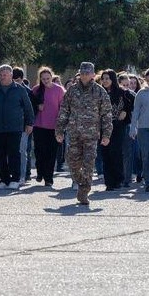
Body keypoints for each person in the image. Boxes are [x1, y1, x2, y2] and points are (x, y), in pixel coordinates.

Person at [56, 62, 113, 205]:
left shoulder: (100, 91)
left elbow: (106, 114)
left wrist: (106, 134)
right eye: (82, 73)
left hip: (91, 135)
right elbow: (64, 111)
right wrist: (59, 130)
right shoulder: (72, 91)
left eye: (87, 73)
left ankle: (83, 192)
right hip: (74, 133)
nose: (84, 76)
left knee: (88, 165)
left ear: (93, 75)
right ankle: (82, 182)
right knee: (72, 162)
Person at [0, 64, 34, 190]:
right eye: (1, 74)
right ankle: (3, 179)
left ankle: (15, 179)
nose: (3, 76)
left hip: (15, 127)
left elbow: (28, 107)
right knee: (0, 154)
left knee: (14, 153)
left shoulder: (19, 89)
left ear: (11, 75)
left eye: (5, 74)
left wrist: (30, 123)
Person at [100, 69, 135, 191]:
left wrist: (125, 111)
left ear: (112, 79)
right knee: (105, 153)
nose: (105, 81)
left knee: (115, 152)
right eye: (103, 79)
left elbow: (133, 101)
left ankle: (118, 179)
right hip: (103, 126)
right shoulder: (99, 92)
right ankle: (109, 182)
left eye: (107, 78)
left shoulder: (122, 92)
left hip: (118, 126)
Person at [31, 67, 66, 186]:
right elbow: (30, 106)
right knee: (39, 151)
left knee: (51, 153)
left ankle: (49, 178)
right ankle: (40, 172)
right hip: (39, 125)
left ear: (52, 77)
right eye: (43, 78)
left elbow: (64, 107)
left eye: (48, 78)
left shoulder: (59, 90)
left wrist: (62, 124)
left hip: (54, 126)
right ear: (40, 79)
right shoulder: (36, 90)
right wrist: (37, 106)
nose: (45, 80)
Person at [12, 67, 35, 183]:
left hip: (25, 126)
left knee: (24, 150)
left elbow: (30, 110)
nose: (15, 82)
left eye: (17, 80)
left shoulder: (28, 92)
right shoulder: (10, 90)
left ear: (22, 79)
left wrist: (29, 124)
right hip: (12, 126)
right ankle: (15, 173)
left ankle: (25, 174)